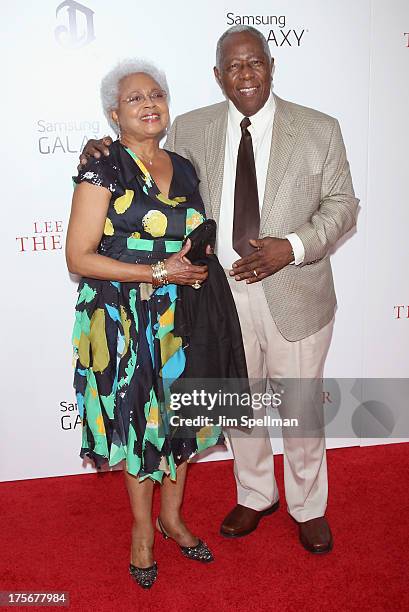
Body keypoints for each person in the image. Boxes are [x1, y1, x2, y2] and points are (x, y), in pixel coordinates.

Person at [80, 25, 359, 554]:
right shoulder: (190, 127)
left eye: (255, 62)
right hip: (218, 297)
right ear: (217, 76)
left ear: (271, 66)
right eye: (233, 66)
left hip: (295, 289)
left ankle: (308, 505)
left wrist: (294, 246)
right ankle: (256, 494)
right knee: (238, 405)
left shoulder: (320, 128)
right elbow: (145, 167)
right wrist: (101, 148)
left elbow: (343, 205)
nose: (245, 74)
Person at [66, 58, 247, 589]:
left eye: (156, 95)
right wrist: (155, 270)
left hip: (182, 315)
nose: (149, 104)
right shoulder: (104, 167)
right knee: (142, 425)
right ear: (113, 114)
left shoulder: (185, 165)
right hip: (122, 319)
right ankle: (143, 531)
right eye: (134, 98)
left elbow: (192, 237)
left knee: (182, 421)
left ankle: (173, 518)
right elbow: (78, 256)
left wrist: (190, 268)